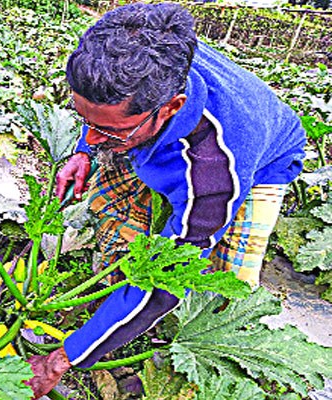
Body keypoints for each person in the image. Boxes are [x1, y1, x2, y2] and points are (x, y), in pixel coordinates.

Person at [26, 3, 306, 398]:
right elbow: (102, 117)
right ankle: (113, 308)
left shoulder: (217, 170)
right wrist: (83, 152)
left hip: (267, 158)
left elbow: (164, 281)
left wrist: (67, 356)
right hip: (152, 135)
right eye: (85, 121)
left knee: (222, 287)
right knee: (116, 220)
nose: (90, 135)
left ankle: (218, 371)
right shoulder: (120, 53)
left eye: (105, 130)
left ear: (172, 107)